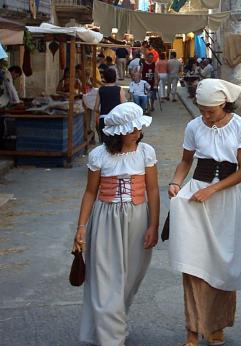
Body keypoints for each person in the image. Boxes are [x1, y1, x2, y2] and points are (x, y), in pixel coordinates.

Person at [168, 79, 241, 346]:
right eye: (202, 110)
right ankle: (192, 331)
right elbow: (185, 162)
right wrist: (175, 183)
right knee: (193, 264)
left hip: (225, 200)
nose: (205, 115)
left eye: (211, 111)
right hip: (195, 197)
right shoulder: (194, 126)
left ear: (224, 105)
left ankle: (216, 326)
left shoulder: (240, 127)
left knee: (223, 264)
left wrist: (213, 189)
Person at [74, 102, 160, 345]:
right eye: (132, 129)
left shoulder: (146, 152)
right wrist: (81, 227)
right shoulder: (99, 155)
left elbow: (153, 190)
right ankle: (112, 338)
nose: (138, 133)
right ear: (118, 132)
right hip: (105, 219)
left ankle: (114, 323)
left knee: (130, 277)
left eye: (138, 128)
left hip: (138, 218)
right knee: (106, 279)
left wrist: (153, 225)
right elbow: (90, 192)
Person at [94, 68, 126, 142]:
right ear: (115, 77)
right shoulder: (119, 89)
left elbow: (96, 108)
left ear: (104, 78)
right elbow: (123, 106)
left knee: (104, 143)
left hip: (104, 119)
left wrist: (101, 113)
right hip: (116, 119)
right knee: (116, 143)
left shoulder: (101, 89)